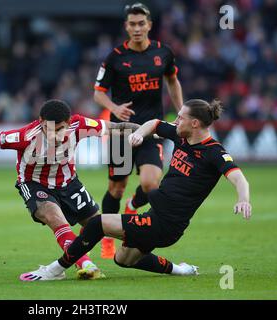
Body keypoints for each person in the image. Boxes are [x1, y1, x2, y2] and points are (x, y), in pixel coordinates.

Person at [20, 99, 252, 281]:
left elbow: (239, 178)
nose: (176, 120)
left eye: (180, 117)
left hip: (167, 223)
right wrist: (140, 133)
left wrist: (243, 198)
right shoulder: (182, 136)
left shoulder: (214, 152)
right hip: (156, 215)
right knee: (123, 259)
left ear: (194, 123)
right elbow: (155, 123)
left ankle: (54, 270)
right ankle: (180, 271)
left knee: (96, 224)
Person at [0, 99, 140, 280]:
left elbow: (116, 127)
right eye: (50, 130)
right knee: (54, 216)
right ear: (40, 121)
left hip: (69, 184)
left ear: (69, 123)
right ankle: (86, 265)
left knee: (102, 227)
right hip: (35, 184)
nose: (56, 136)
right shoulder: (24, 136)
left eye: (60, 129)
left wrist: (155, 130)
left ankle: (156, 255)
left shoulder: (79, 125)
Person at [94, 3, 184, 258]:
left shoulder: (163, 53)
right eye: (132, 24)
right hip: (120, 132)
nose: (136, 28)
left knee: (150, 182)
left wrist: (181, 112)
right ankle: (107, 238)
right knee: (116, 188)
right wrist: (115, 107)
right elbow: (98, 93)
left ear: (149, 25)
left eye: (141, 23)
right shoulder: (115, 58)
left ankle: (132, 207)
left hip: (151, 129)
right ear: (126, 26)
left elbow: (172, 81)